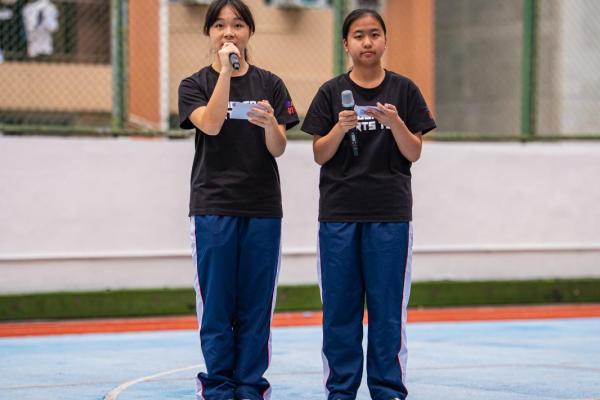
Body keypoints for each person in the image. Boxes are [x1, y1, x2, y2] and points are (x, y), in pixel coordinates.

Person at [301, 8, 436, 400]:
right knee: (339, 312)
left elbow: (414, 152)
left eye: (374, 34)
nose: (367, 42)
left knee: (387, 313)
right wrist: (340, 128)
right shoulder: (330, 92)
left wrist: (396, 124)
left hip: (389, 216)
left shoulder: (404, 91)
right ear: (346, 43)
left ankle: (388, 390)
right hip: (339, 216)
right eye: (358, 35)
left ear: (385, 40)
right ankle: (340, 391)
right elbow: (319, 154)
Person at [177, 1, 299, 399]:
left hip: (262, 207)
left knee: (256, 305)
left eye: (237, 25)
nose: (228, 32)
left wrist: (270, 125)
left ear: (249, 32)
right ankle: (218, 385)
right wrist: (226, 73)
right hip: (213, 207)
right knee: (216, 304)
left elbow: (279, 147)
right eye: (219, 25)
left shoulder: (271, 83)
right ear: (209, 33)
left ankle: (250, 385)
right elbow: (211, 125)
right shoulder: (193, 84)